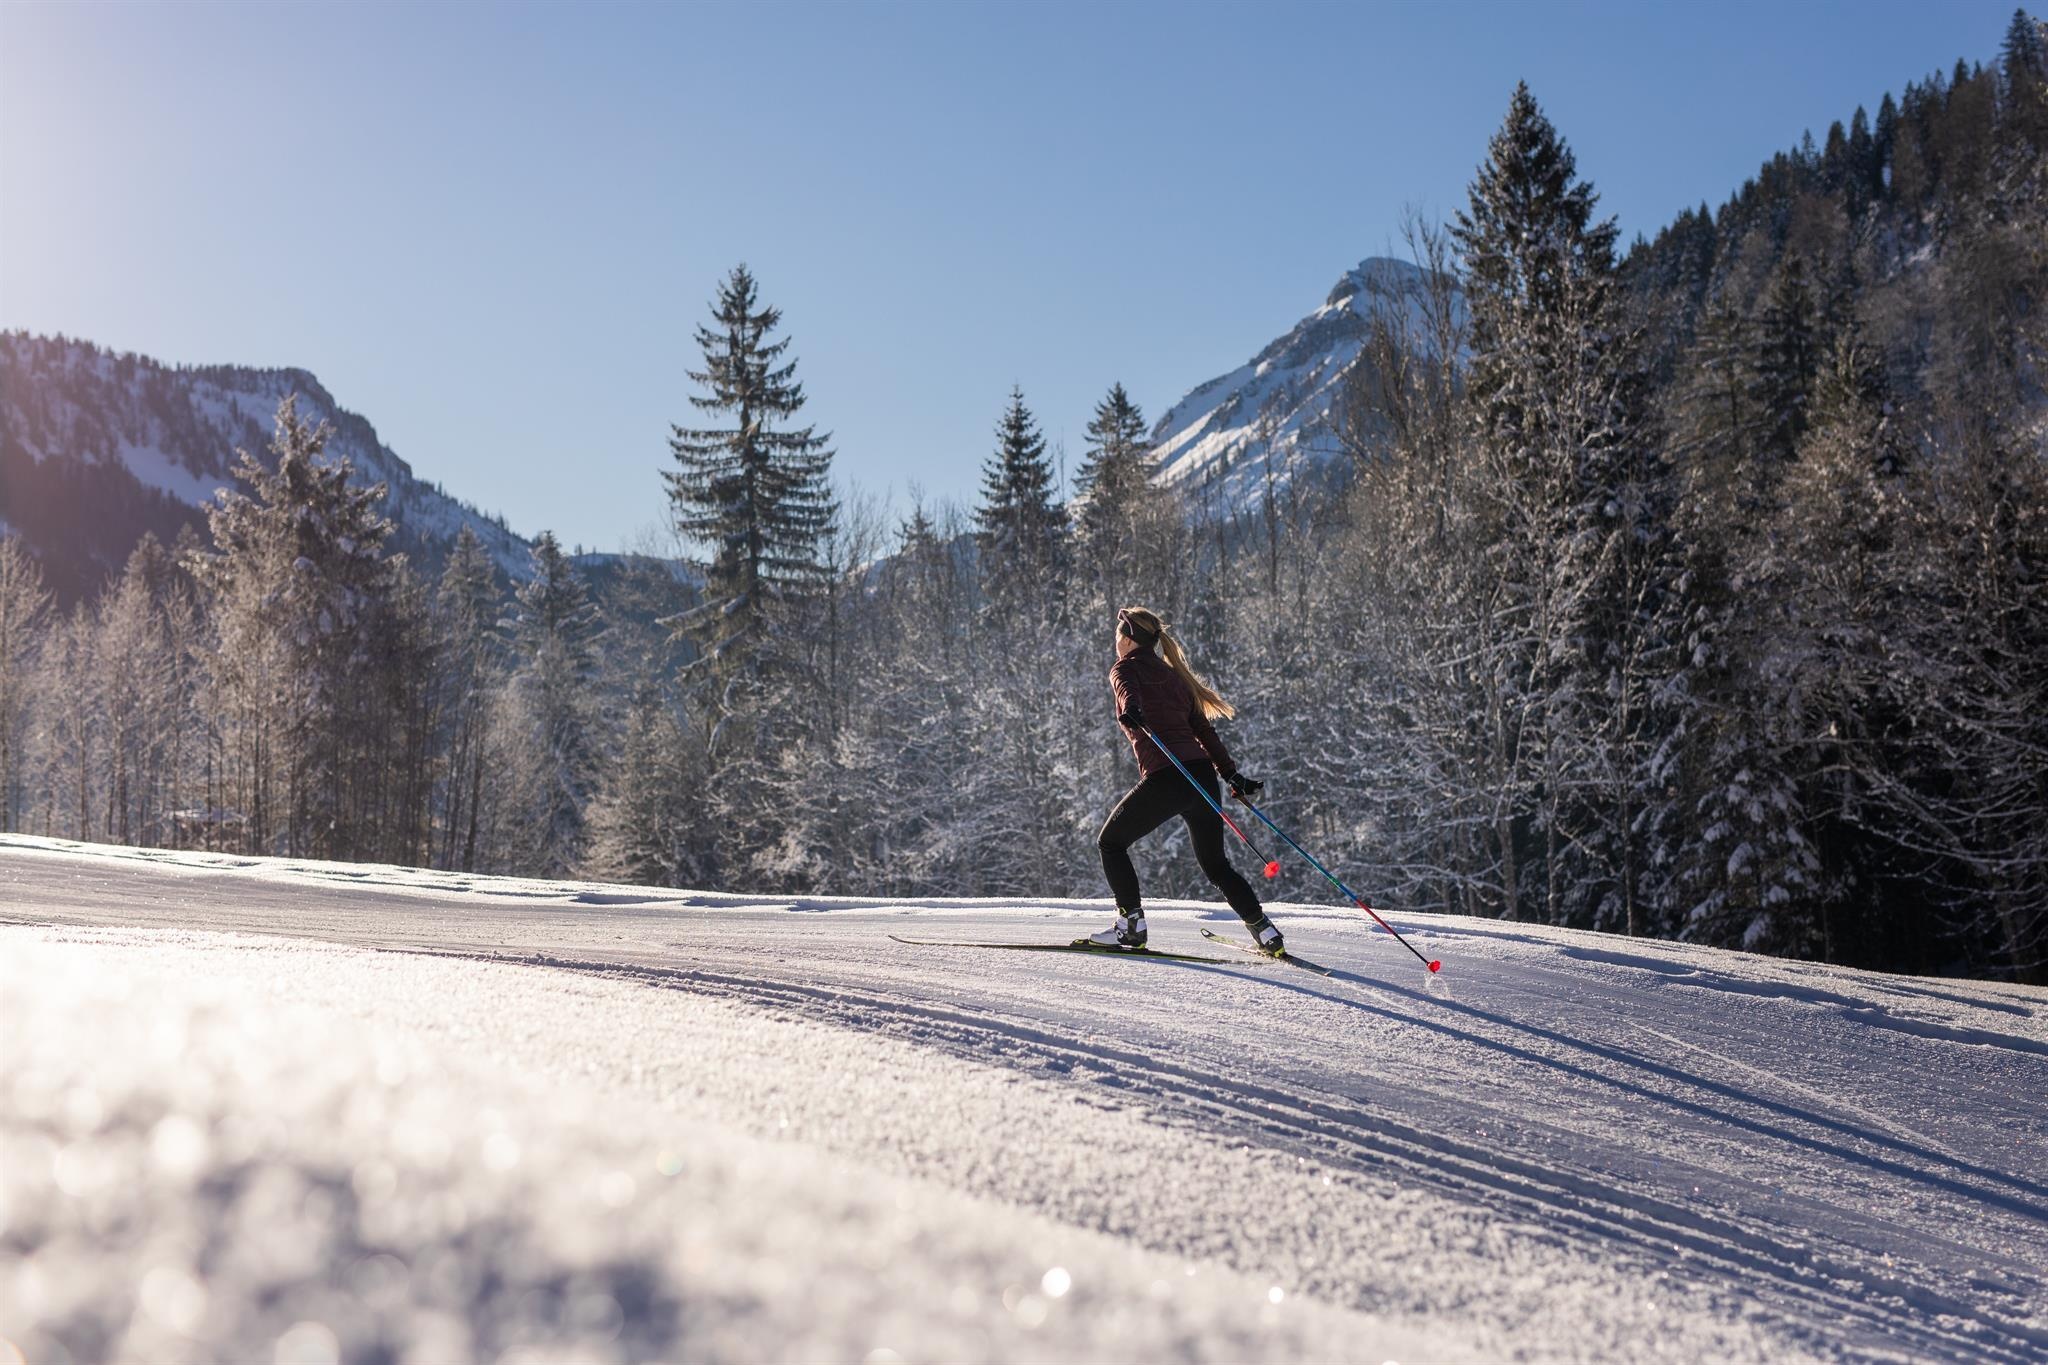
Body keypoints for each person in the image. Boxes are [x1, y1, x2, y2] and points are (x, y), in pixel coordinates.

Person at [1084, 605, 1285, 954]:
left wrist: (1131, 708)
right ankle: (1265, 932)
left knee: (1110, 843)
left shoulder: (1123, 668)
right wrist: (1230, 774)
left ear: (1128, 640)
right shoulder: (1174, 676)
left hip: (1168, 776)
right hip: (1201, 777)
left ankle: (1131, 925)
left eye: (1118, 636)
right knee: (1216, 864)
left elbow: (1127, 690)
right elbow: (1203, 732)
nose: (1116, 642)